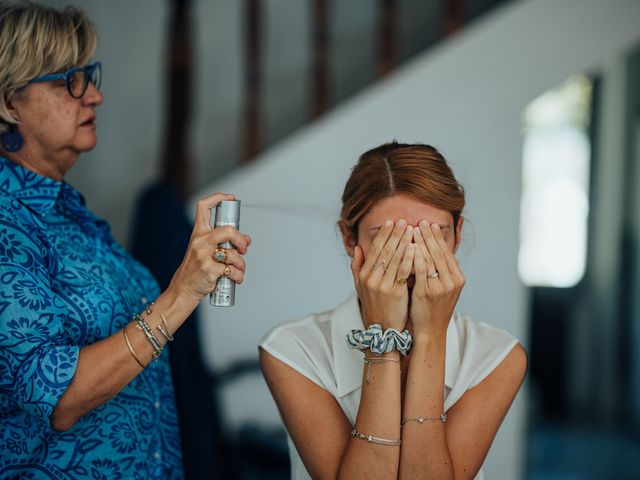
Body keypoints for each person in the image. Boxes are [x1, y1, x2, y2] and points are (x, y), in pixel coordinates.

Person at [0, 2, 249, 478]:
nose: (92, 96)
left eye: (89, 76)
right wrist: (181, 294)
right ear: (11, 103)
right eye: (66, 81)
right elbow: (59, 397)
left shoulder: (76, 220)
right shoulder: (7, 225)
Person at [260, 142, 527, 479]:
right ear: (349, 239)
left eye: (432, 237)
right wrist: (383, 333)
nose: (412, 259)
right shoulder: (292, 350)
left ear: (457, 237)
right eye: (389, 239)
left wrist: (430, 336)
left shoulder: (498, 357)